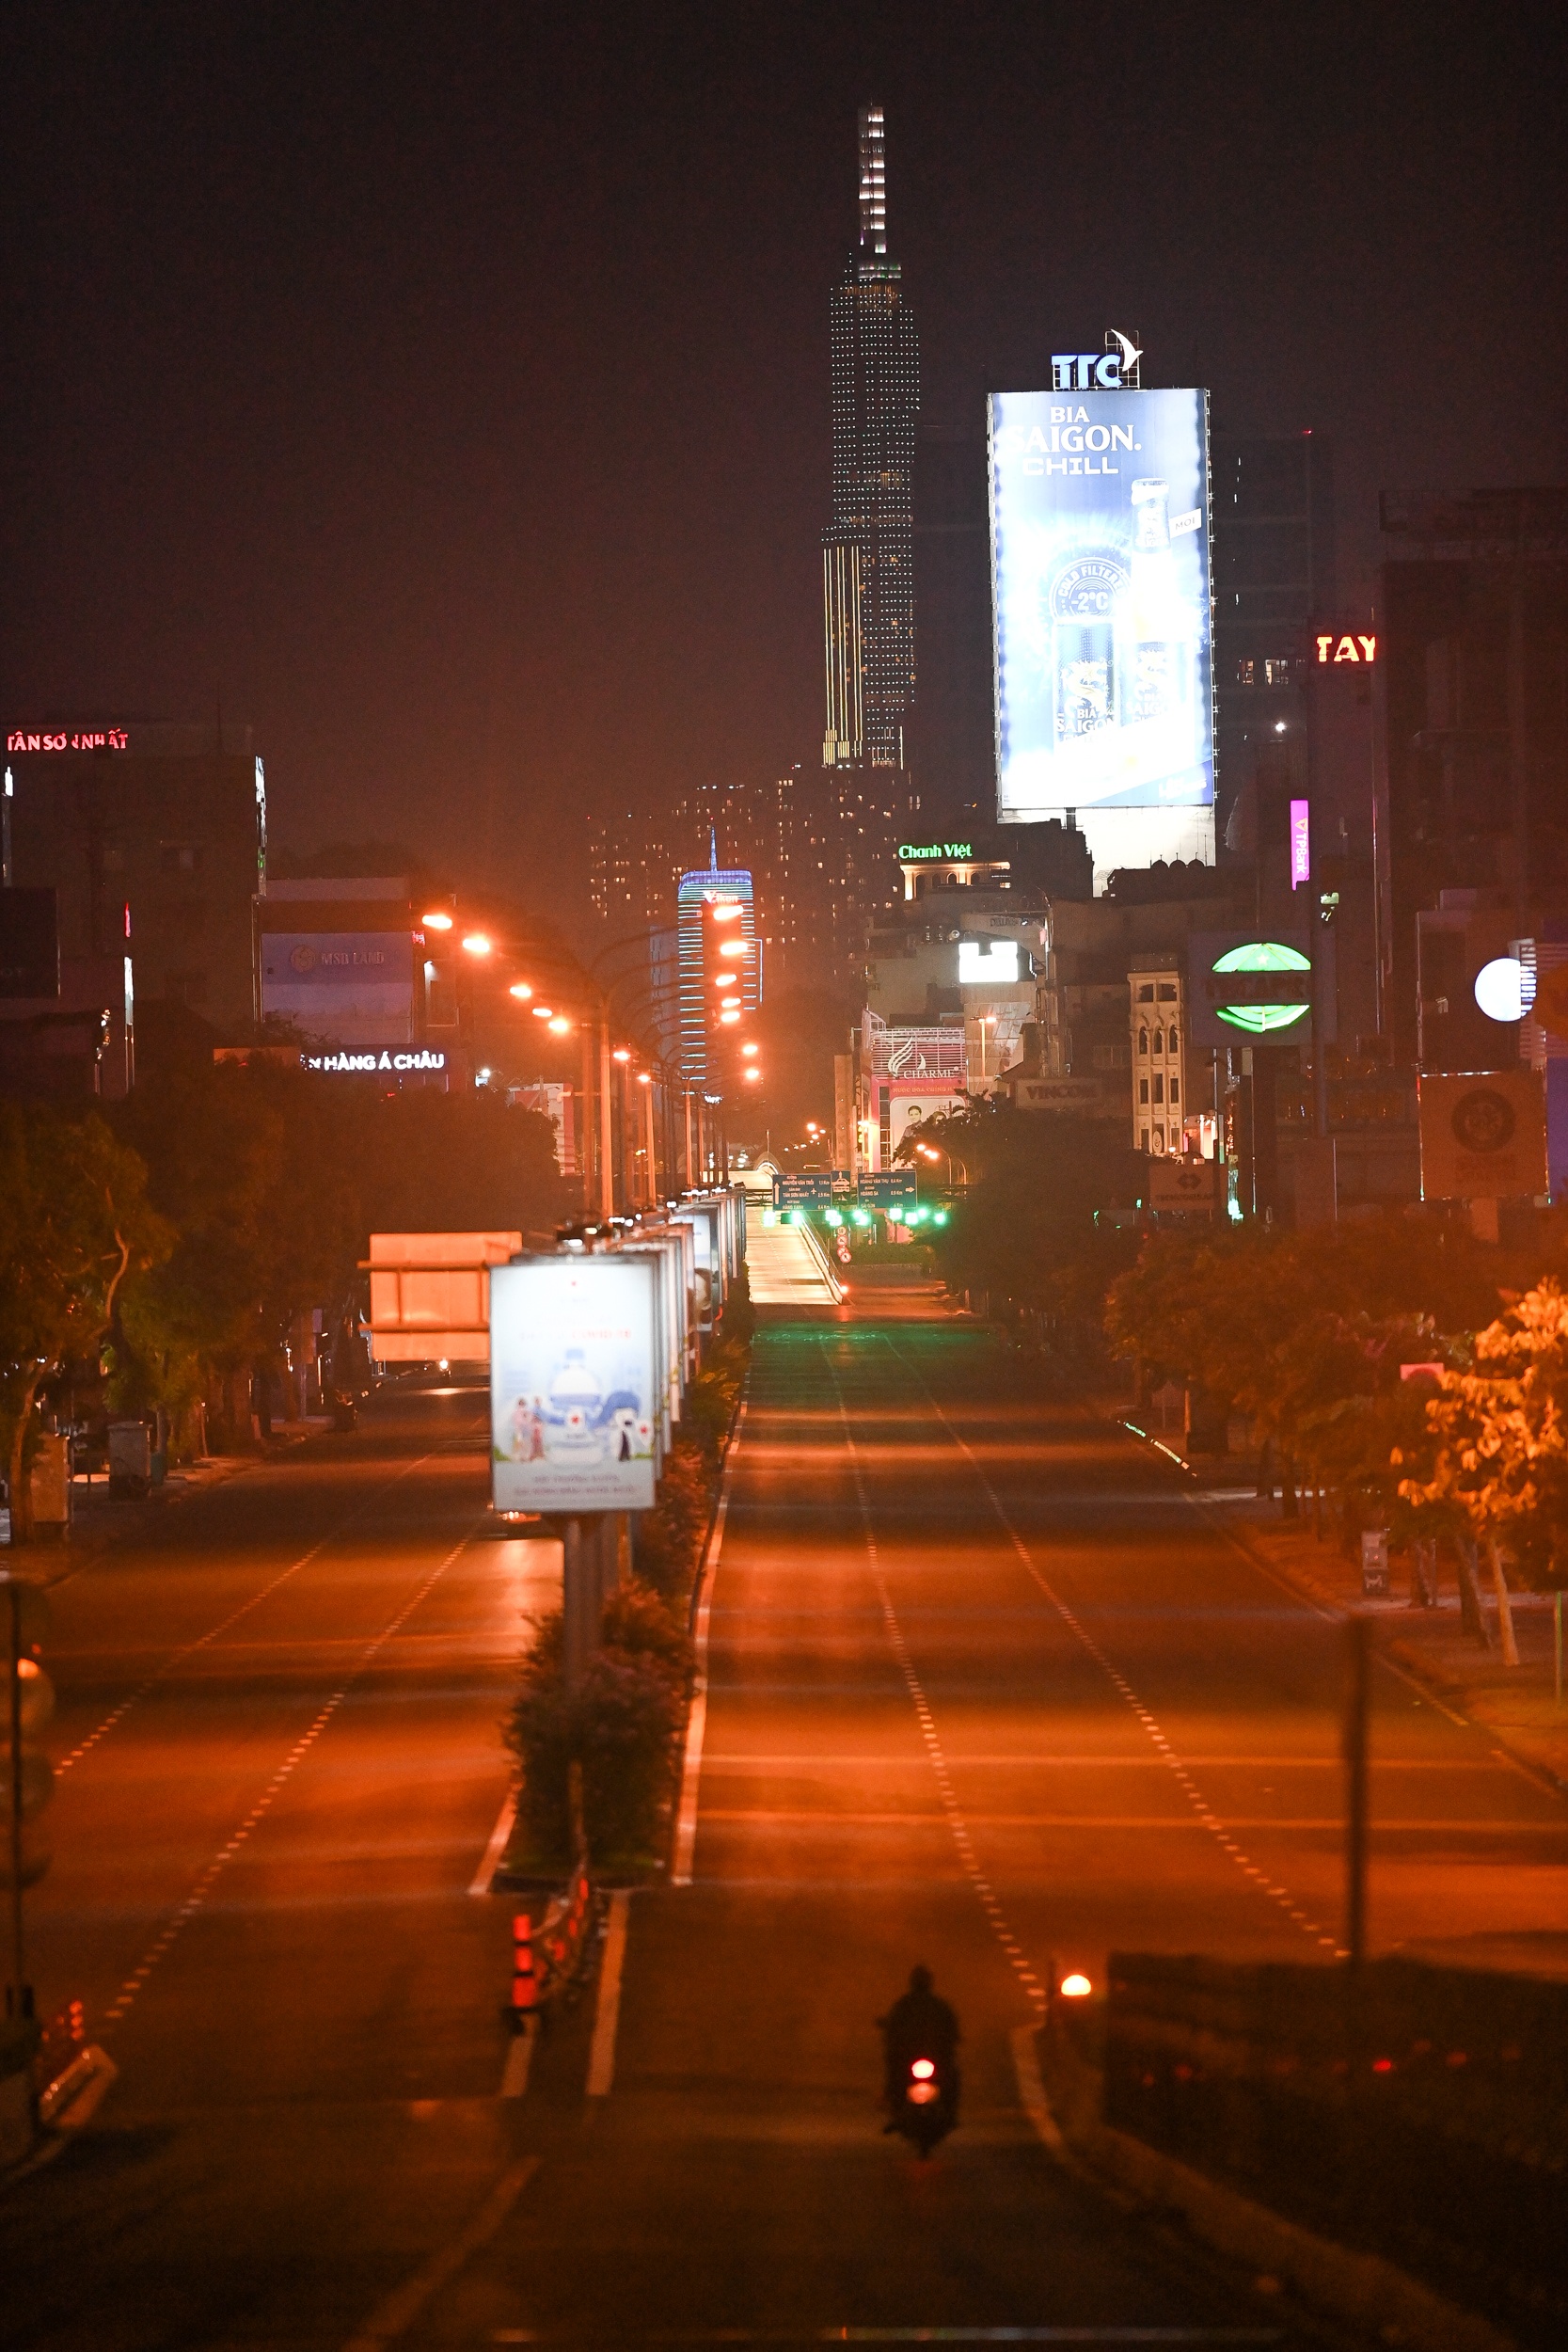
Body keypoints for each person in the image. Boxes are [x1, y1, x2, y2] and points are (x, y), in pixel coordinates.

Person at [878, 1964, 960, 2122]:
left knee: (951, 2075)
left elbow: (952, 2029)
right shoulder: (936, 2005)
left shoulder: (905, 2004)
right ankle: (895, 2106)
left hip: (929, 2055)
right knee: (895, 2070)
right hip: (915, 2055)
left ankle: (949, 2110)